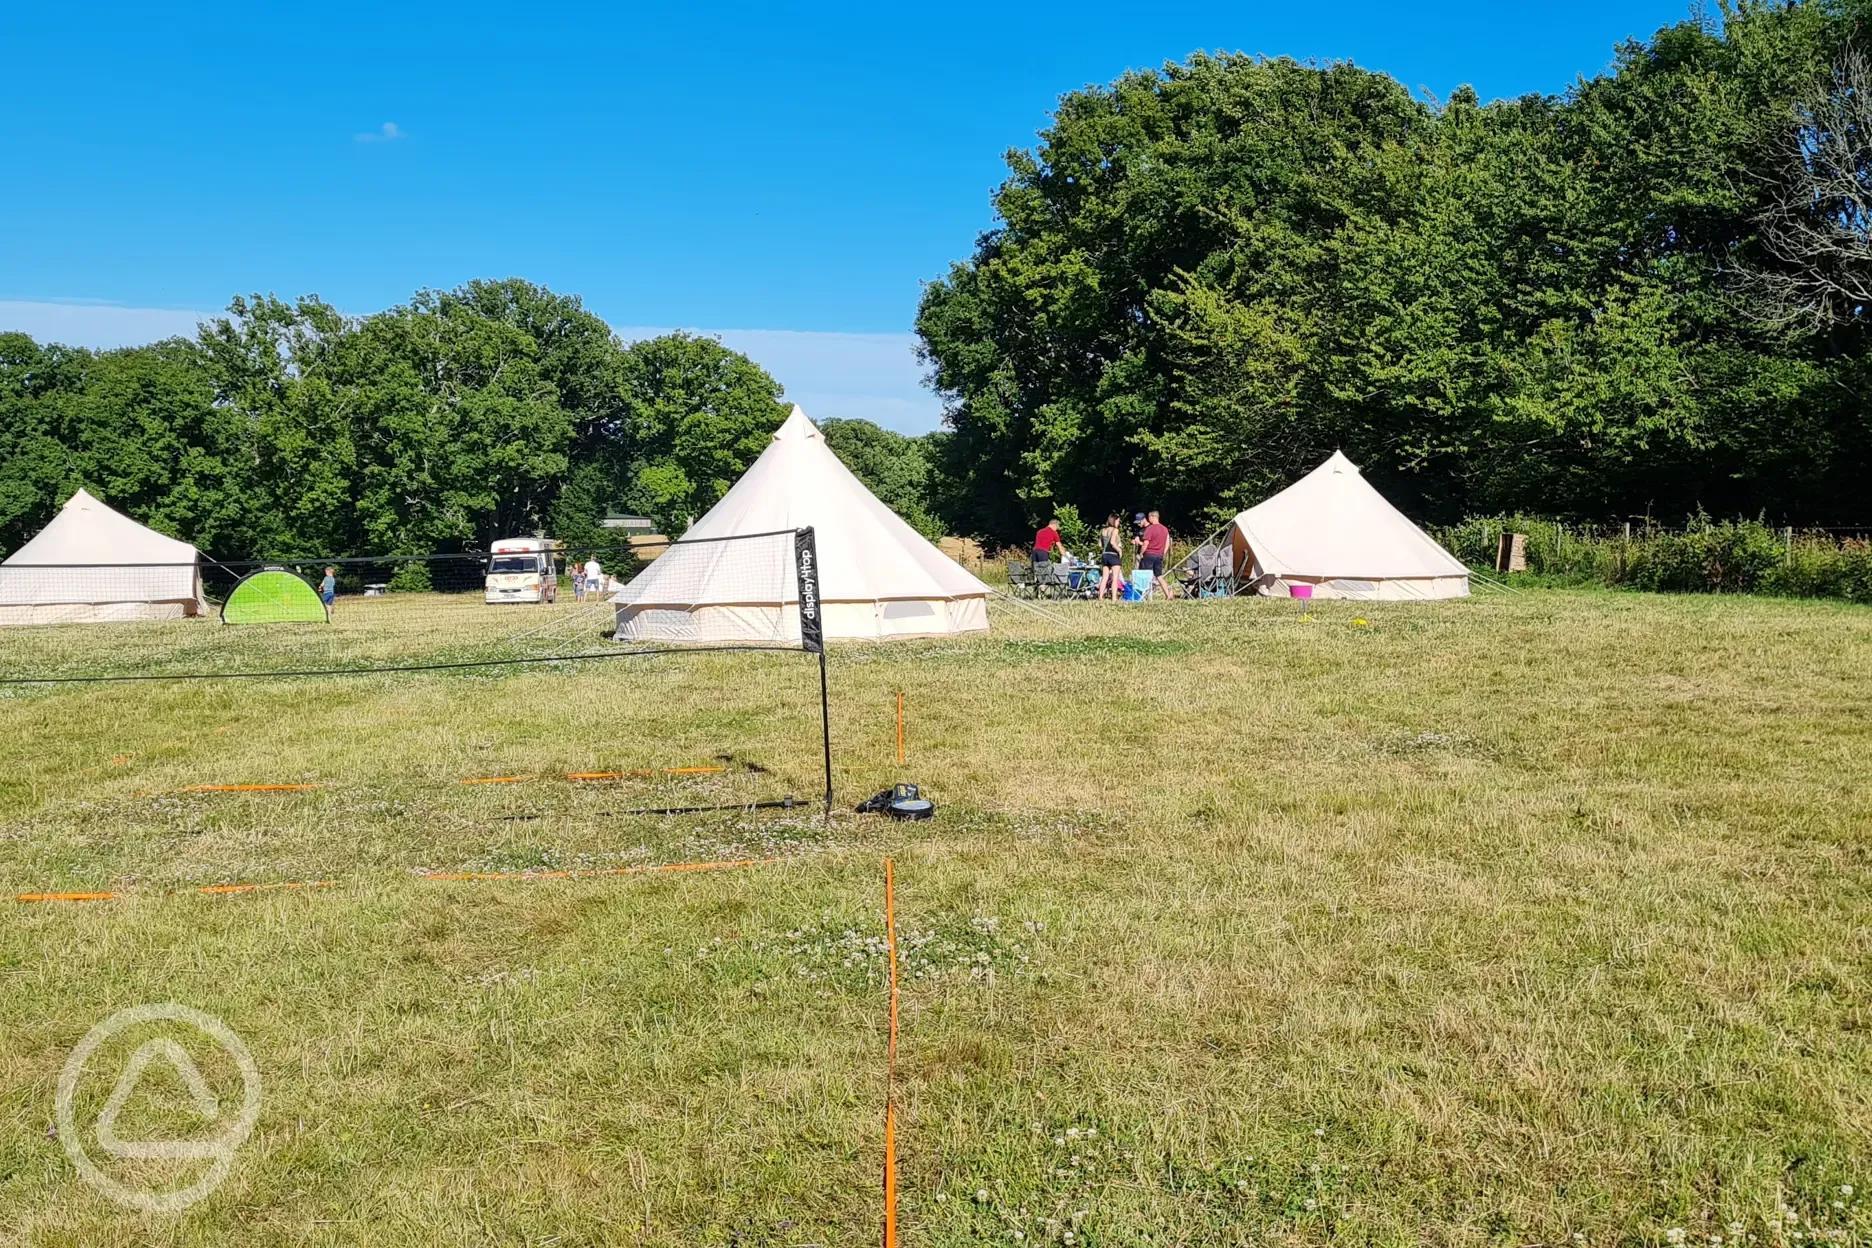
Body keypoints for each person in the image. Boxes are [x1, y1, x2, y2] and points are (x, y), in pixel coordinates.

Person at [1134, 510, 1177, 599]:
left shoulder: (1150, 528)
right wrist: (1163, 553)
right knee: (1159, 576)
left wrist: (1141, 553)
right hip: (1159, 555)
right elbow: (1167, 543)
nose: (1148, 519)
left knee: (1146, 575)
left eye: (1149, 517)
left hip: (1149, 554)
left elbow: (1146, 543)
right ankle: (1168, 594)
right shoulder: (1165, 529)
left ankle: (1145, 597)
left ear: (1153, 517)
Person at [1097, 513, 1126, 600]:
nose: (1119, 522)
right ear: (1114, 520)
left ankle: (1100, 597)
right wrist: (1119, 550)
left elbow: (1099, 544)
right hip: (1113, 555)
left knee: (1104, 578)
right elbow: (1113, 542)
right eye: (1118, 520)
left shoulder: (1103, 530)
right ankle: (1114, 598)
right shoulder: (1115, 530)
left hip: (1105, 554)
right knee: (1115, 578)